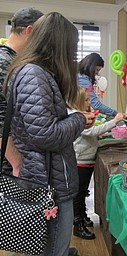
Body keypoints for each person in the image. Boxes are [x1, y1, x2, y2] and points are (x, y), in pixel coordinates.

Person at [3, 12, 95, 256]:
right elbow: (45, 135)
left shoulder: (33, 72)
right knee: (54, 248)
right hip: (48, 182)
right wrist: (78, 119)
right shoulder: (34, 74)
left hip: (47, 177)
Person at [68, 87, 123, 240]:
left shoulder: (82, 115)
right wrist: (115, 121)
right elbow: (91, 132)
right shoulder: (76, 118)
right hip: (81, 161)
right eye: (86, 100)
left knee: (83, 191)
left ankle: (82, 215)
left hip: (87, 159)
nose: (89, 102)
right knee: (79, 194)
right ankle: (77, 225)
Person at [0, 7, 43, 177]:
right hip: (8, 165)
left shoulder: (14, 61)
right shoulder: (5, 64)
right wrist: (16, 162)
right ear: (29, 31)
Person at [78, 52, 118, 117]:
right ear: (91, 66)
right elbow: (96, 104)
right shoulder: (83, 80)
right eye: (97, 70)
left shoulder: (81, 76)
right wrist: (116, 113)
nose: (97, 73)